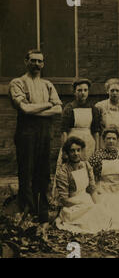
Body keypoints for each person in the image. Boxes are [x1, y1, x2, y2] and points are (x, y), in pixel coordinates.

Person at [8, 49, 62, 236]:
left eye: (40, 61)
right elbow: (24, 108)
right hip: (27, 134)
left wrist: (36, 109)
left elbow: (59, 110)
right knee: (27, 173)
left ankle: (43, 215)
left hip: (45, 133)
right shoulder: (18, 83)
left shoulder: (47, 84)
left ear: (43, 64)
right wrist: (47, 105)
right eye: (33, 60)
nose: (37, 64)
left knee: (44, 174)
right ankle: (26, 215)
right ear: (26, 62)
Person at [55, 137, 111, 234]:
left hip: (86, 198)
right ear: (67, 153)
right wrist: (81, 203)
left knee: (104, 205)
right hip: (72, 204)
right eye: (72, 151)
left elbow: (92, 189)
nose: (76, 153)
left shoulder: (86, 165)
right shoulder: (63, 171)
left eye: (78, 150)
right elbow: (64, 199)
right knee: (90, 212)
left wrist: (97, 204)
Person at [88, 127, 119, 230]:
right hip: (103, 188)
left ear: (117, 141)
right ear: (103, 140)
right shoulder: (97, 155)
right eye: (108, 138)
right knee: (109, 207)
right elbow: (88, 170)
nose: (111, 141)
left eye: (114, 139)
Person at [60, 78, 101, 160]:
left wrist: (97, 149)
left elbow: (96, 131)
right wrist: (64, 150)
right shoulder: (69, 108)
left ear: (88, 92)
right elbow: (64, 131)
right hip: (73, 141)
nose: (83, 93)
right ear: (74, 92)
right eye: (79, 90)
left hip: (88, 142)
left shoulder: (93, 109)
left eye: (85, 90)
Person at [95, 78, 119, 160]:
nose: (114, 93)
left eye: (117, 90)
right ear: (107, 91)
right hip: (104, 140)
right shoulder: (100, 106)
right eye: (112, 90)